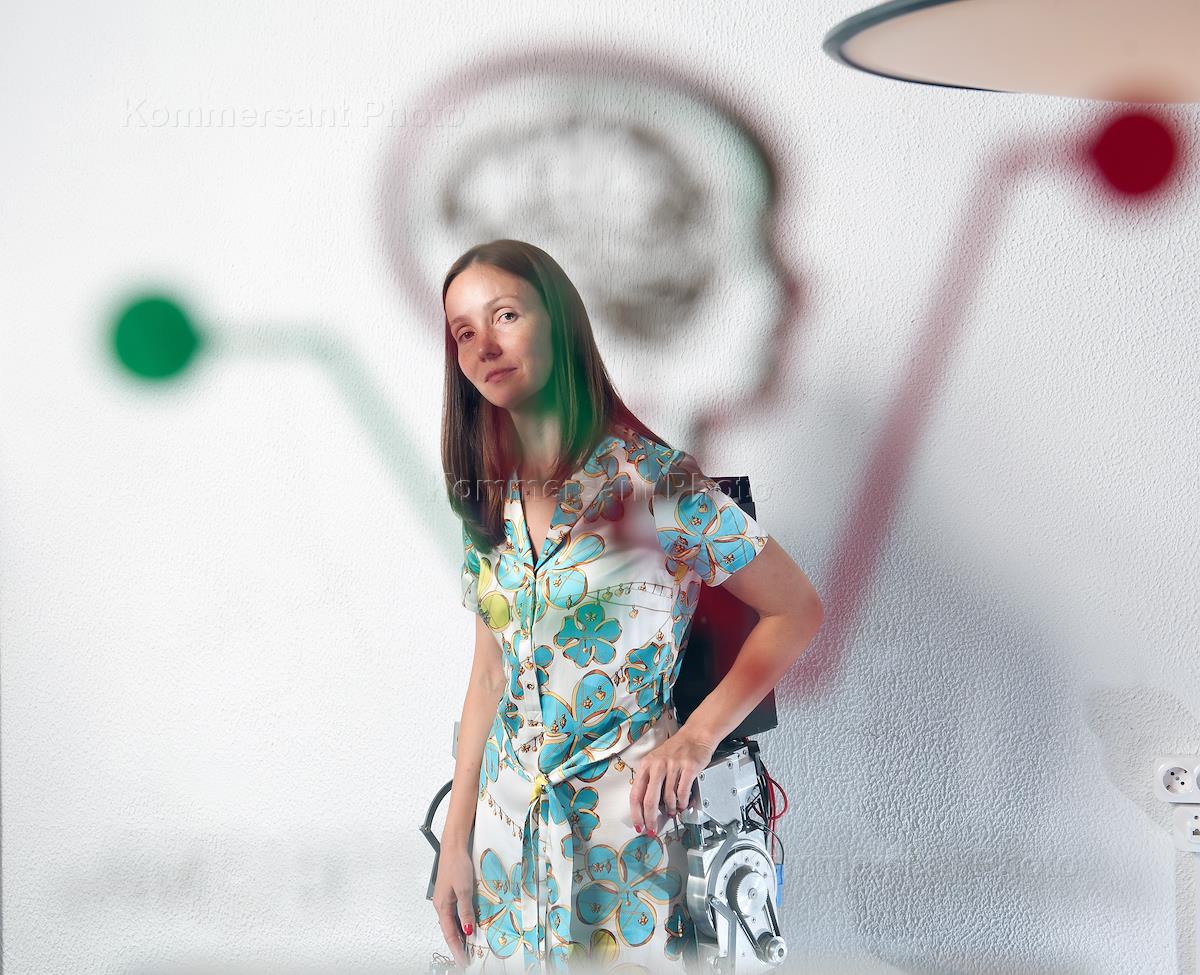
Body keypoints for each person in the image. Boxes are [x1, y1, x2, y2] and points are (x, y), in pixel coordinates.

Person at [432, 239, 823, 972]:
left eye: (505, 314)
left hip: (630, 843)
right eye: (463, 331)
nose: (483, 345)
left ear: (558, 323)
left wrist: (697, 738)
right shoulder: (487, 499)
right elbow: (489, 673)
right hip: (506, 842)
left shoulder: (655, 485)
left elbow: (795, 609)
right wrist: (455, 841)